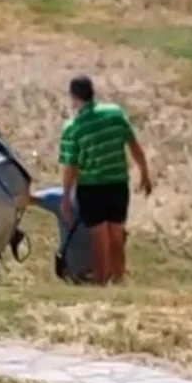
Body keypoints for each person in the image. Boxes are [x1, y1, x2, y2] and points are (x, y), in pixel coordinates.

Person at [58, 75, 153, 285]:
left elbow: (71, 166)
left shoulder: (74, 127)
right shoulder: (115, 114)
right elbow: (134, 146)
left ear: (74, 97)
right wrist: (145, 174)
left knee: (99, 238)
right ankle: (119, 278)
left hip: (91, 188)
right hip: (118, 183)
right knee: (116, 235)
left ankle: (100, 283)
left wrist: (65, 197)